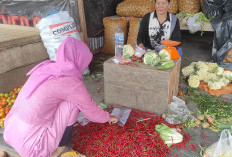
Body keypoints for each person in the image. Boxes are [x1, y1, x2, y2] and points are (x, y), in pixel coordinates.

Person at [3, 37, 118, 157]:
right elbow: (92, 112)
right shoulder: (71, 82)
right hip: (33, 148)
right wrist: (107, 117)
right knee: (74, 102)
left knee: (62, 99)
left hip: (11, 132)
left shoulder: (46, 68)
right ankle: (61, 148)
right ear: (79, 59)